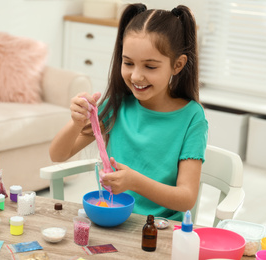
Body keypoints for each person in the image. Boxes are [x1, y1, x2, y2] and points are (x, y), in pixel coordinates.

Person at [49, 3, 208, 221]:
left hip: (159, 230)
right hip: (111, 219)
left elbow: (186, 198)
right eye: (128, 63)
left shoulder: (191, 117)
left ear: (177, 65)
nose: (135, 76)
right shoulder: (117, 105)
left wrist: (135, 182)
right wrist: (76, 122)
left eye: (150, 67)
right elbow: (58, 155)